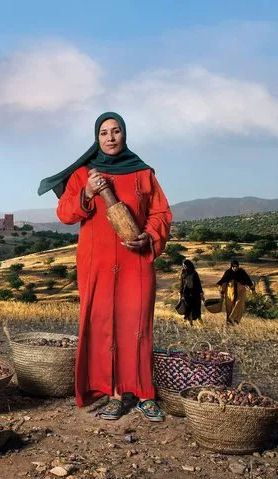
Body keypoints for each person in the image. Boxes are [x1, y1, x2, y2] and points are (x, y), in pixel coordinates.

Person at [38, 112, 172, 422]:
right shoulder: (84, 174)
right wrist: (87, 192)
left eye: (115, 132)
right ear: (96, 138)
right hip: (95, 264)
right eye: (103, 133)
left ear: (125, 135)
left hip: (136, 262)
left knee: (137, 326)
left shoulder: (143, 173)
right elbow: (65, 213)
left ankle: (143, 393)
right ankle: (112, 393)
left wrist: (149, 237)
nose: (110, 137)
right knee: (102, 326)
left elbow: (161, 213)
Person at [216, 259, 254, 325]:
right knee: (229, 307)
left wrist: (252, 289)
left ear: (238, 266)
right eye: (233, 266)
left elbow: (248, 281)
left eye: (236, 266)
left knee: (240, 304)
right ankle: (229, 322)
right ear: (231, 266)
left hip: (241, 291)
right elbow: (223, 282)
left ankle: (234, 318)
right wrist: (222, 292)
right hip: (230, 292)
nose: (235, 268)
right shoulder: (228, 272)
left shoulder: (242, 272)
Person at [180, 259, 204, 325]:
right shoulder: (183, 273)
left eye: (185, 266)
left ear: (188, 265)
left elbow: (198, 284)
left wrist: (201, 292)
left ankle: (201, 323)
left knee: (197, 308)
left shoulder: (194, 273)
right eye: (183, 266)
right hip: (186, 294)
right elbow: (182, 284)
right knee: (188, 308)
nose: (184, 267)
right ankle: (190, 323)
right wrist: (181, 294)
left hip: (195, 293)